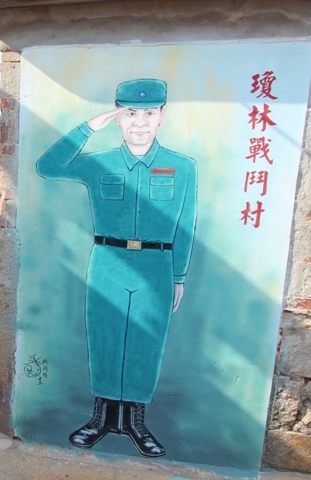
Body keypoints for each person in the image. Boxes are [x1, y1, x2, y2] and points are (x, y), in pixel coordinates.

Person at [36, 78, 197, 457]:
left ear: (162, 116)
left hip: (158, 264)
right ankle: (102, 419)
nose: (139, 122)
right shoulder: (99, 163)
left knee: (147, 341)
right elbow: (47, 166)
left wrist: (179, 276)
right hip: (108, 260)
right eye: (129, 113)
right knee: (106, 338)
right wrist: (89, 127)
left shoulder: (182, 166)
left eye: (149, 113)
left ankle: (136, 423)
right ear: (118, 117)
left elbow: (186, 224)